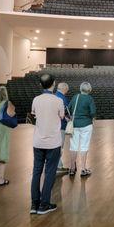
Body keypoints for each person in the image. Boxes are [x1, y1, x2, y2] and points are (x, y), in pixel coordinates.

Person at [30, 74, 65, 215]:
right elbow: (62, 116)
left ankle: (34, 204)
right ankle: (44, 204)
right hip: (53, 142)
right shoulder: (58, 100)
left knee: (36, 172)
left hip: (38, 141)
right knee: (50, 172)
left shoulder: (36, 99)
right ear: (54, 84)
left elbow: (34, 114)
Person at [68, 82, 96, 177]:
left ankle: (72, 168)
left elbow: (69, 108)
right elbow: (93, 112)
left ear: (80, 88)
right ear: (89, 90)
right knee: (84, 146)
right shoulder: (89, 99)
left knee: (73, 146)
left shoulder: (75, 97)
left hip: (75, 125)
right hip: (86, 124)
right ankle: (83, 169)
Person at [55, 82, 70, 173]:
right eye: (67, 89)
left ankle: (58, 165)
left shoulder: (54, 96)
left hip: (53, 125)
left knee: (55, 146)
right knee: (59, 147)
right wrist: (69, 119)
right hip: (61, 125)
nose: (67, 91)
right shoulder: (62, 98)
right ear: (64, 89)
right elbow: (66, 113)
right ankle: (58, 167)